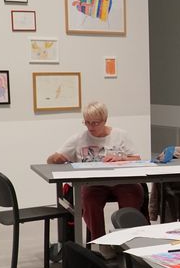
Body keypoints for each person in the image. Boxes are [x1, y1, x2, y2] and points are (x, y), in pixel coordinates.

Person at [46, 101, 142, 239]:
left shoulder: (120, 135)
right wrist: (57, 158)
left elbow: (137, 158)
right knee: (89, 199)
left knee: (134, 193)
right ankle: (100, 241)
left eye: (95, 123)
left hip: (122, 182)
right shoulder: (79, 138)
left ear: (105, 120)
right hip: (94, 184)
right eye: (87, 122)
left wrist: (121, 158)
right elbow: (51, 160)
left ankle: (127, 239)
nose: (91, 127)